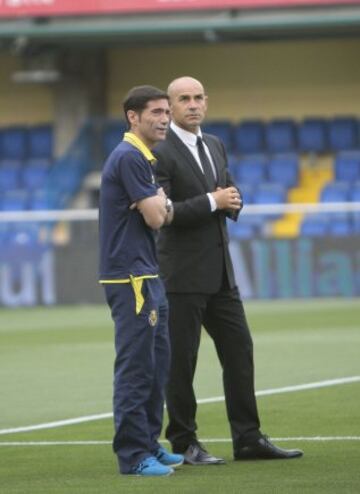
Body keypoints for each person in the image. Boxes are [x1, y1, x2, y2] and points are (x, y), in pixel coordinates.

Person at [153, 76, 303, 465]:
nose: (193, 105)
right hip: (181, 275)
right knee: (181, 363)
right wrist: (212, 200)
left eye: (198, 97)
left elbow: (228, 190)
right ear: (170, 107)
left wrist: (232, 201)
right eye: (183, 99)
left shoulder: (215, 144)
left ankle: (248, 439)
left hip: (221, 274)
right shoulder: (159, 152)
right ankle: (184, 444)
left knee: (240, 352)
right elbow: (163, 214)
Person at [98, 85, 184, 476]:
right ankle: (133, 456)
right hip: (129, 277)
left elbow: (160, 211)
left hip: (148, 273)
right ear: (133, 117)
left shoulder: (143, 157)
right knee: (136, 367)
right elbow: (156, 218)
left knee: (156, 363)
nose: (165, 118)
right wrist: (160, 202)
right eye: (156, 112)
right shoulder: (130, 156)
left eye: (167, 111)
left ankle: (149, 441)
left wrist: (159, 203)